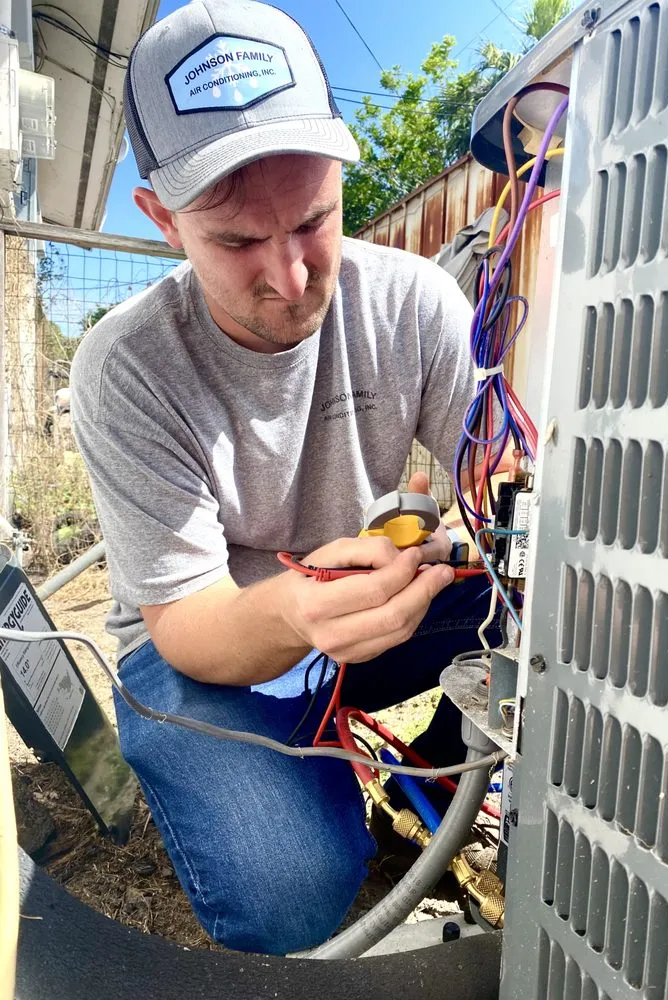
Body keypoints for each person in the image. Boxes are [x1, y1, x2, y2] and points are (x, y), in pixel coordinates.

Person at [70, 0, 500, 955]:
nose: (293, 276)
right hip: (200, 654)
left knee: (539, 599)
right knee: (291, 889)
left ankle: (431, 774)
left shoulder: (416, 304)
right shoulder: (125, 366)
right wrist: (301, 614)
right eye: (234, 242)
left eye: (313, 220)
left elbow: (502, 479)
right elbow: (186, 626)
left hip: (343, 610)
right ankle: (289, 788)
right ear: (161, 220)